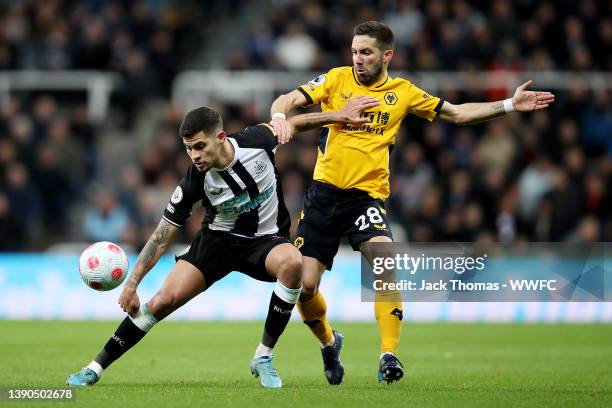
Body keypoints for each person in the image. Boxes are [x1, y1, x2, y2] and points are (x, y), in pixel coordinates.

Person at [269, 20, 555, 385]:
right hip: (323, 198)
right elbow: (287, 100)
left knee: (384, 260)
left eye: (366, 52)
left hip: (366, 198)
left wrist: (509, 105)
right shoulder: (336, 79)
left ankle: (389, 355)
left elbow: (456, 113)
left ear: (387, 55)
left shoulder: (402, 92)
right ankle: (329, 342)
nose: (358, 59)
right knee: (305, 287)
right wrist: (279, 117)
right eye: (355, 51)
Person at [66, 100, 379, 389]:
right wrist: (132, 284)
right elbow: (162, 234)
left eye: (200, 146)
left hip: (265, 241)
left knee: (293, 263)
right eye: (189, 149)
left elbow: (295, 124)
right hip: (217, 241)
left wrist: (337, 116)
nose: (195, 156)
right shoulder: (194, 180)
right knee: (162, 300)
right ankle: (95, 367)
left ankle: (264, 355)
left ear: (221, 137)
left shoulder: (257, 141)